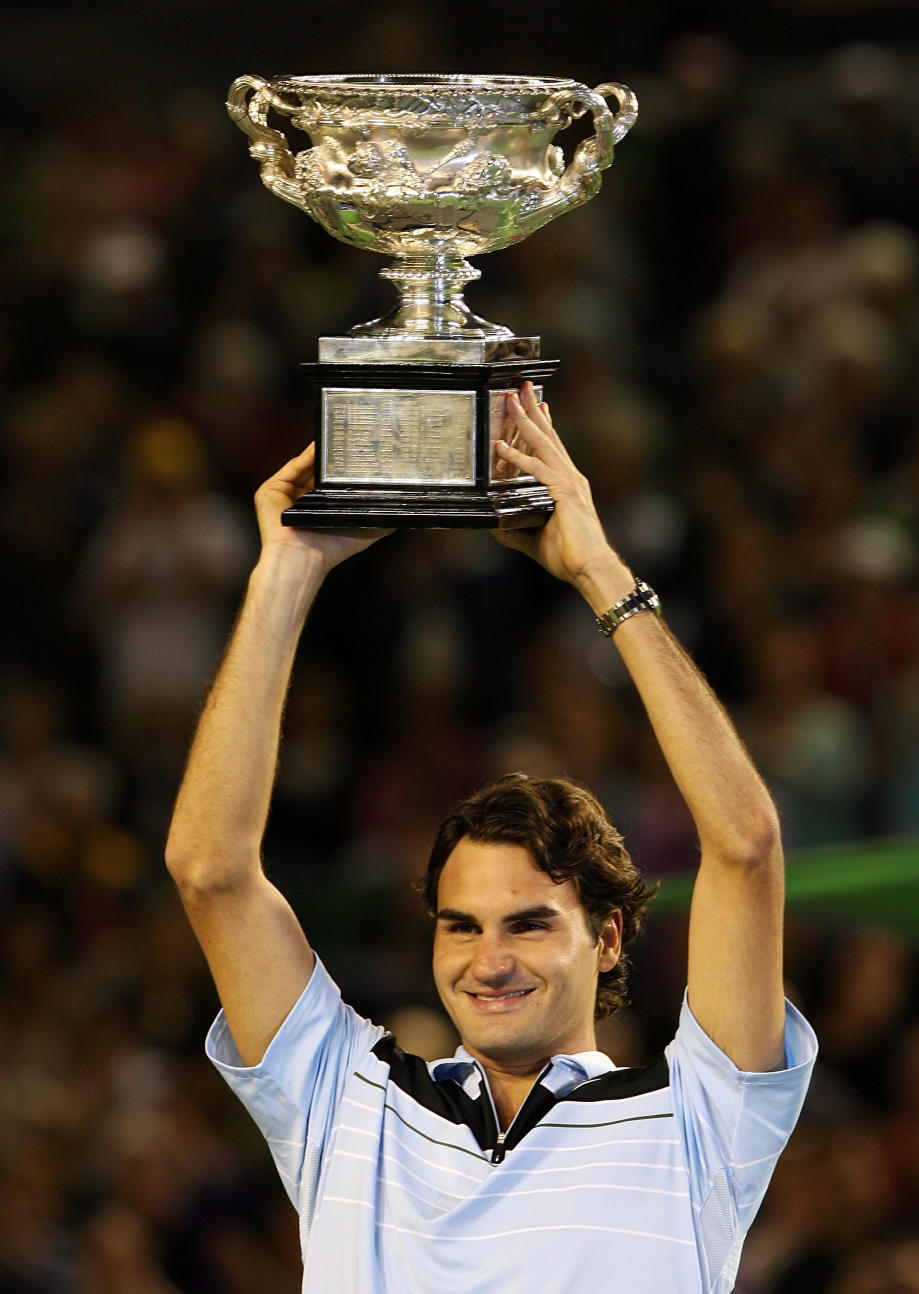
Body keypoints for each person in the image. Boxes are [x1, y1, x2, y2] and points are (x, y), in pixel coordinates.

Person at [165, 383, 817, 1292]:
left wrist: (598, 572)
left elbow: (745, 846)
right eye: (461, 925)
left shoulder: (701, 1124)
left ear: (611, 935)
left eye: (530, 924)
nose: (489, 961)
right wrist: (288, 570)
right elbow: (211, 873)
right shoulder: (347, 1104)